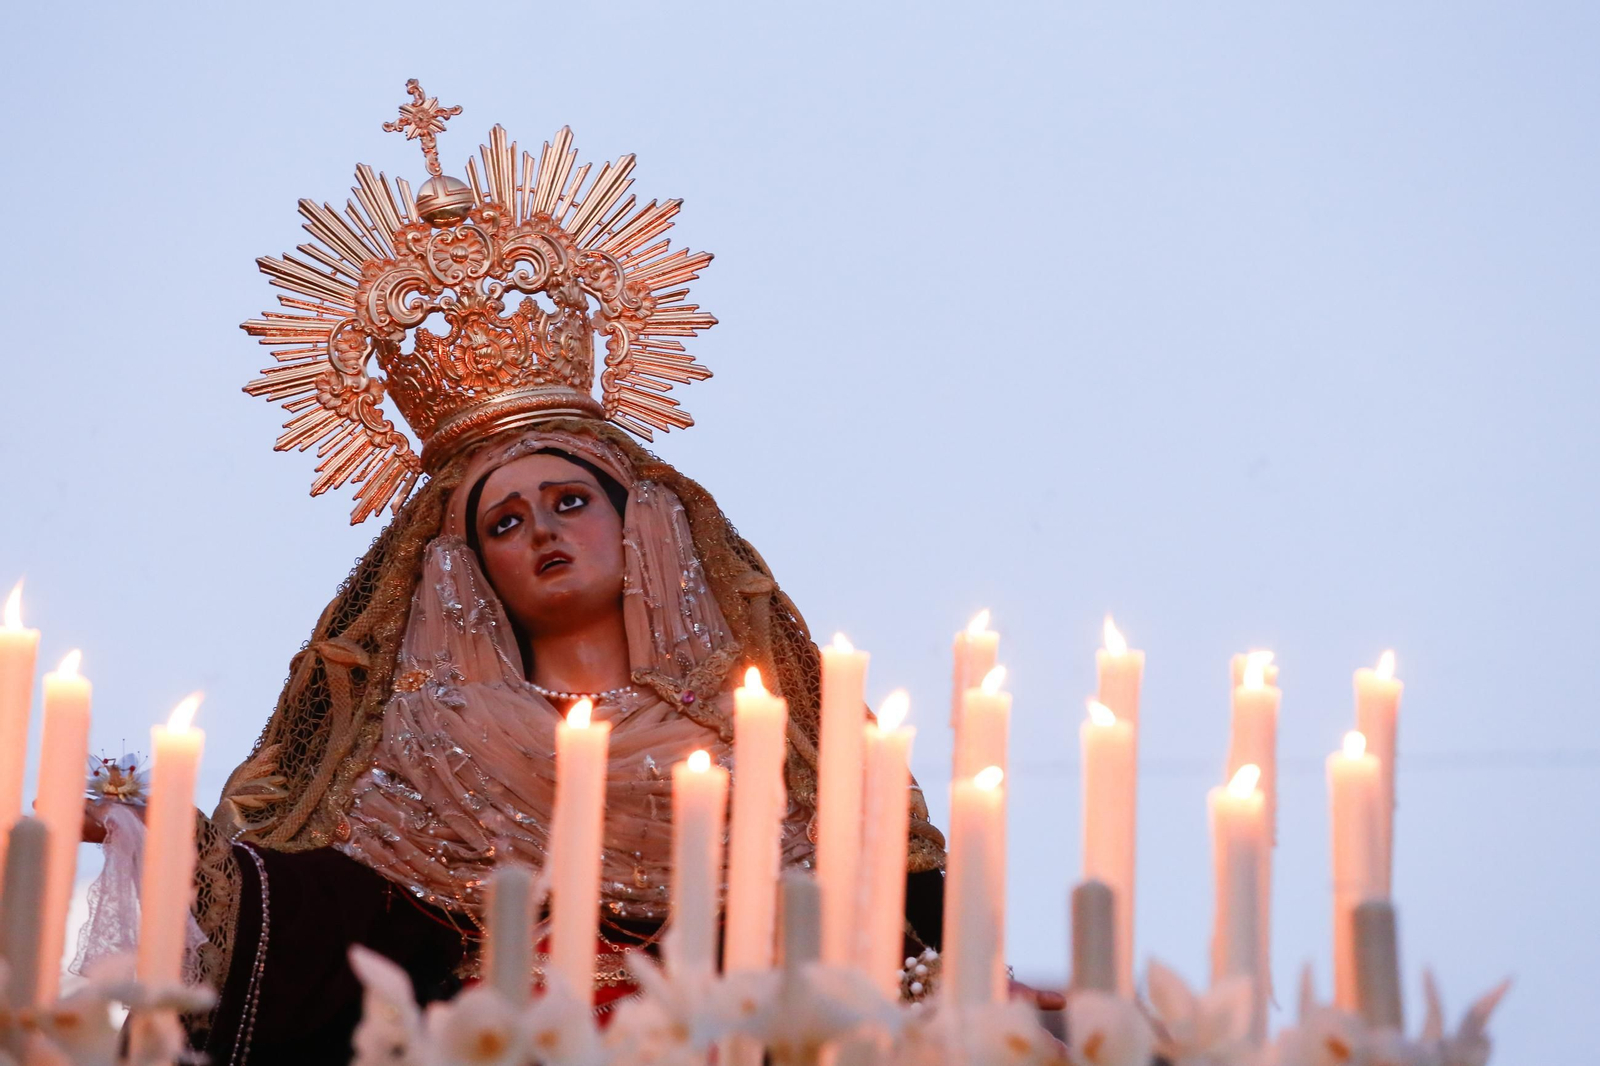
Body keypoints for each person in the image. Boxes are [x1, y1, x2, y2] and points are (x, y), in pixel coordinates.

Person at [74, 84, 963, 1065]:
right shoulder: (419, 763)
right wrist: (183, 861)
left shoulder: (766, 752)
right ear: (466, 569)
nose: (541, 526)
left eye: (571, 501)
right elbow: (317, 933)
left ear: (646, 529)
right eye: (506, 518)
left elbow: (903, 944)